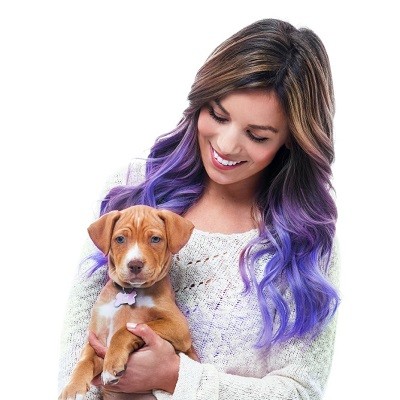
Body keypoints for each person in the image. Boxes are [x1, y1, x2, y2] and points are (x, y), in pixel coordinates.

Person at [58, 18, 340, 400]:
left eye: (257, 135)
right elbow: (79, 348)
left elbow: (300, 392)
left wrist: (176, 377)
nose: (225, 145)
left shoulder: (304, 241)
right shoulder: (134, 192)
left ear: (292, 140)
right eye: (218, 115)